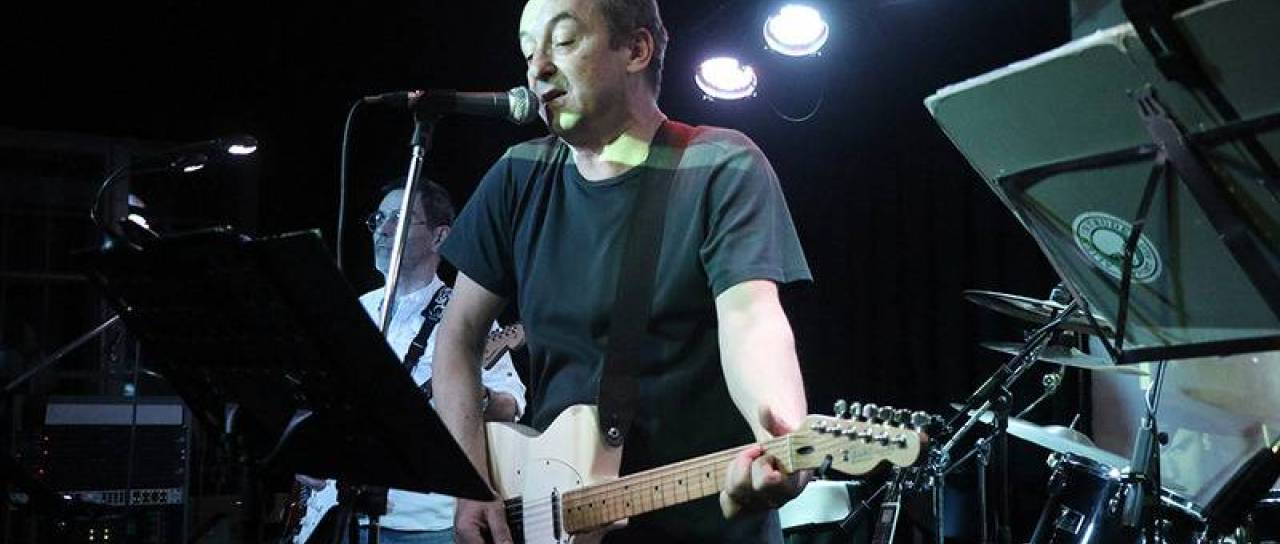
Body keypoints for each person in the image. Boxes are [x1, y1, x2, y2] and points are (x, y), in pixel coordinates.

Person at [432, 0, 813, 542]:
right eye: (527, 50)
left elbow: (751, 319)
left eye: (564, 41)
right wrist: (469, 483)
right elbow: (458, 336)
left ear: (636, 49)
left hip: (702, 523)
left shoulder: (720, 164)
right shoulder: (518, 174)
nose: (537, 68)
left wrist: (780, 435)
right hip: (550, 517)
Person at [294, 180, 526, 544]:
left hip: (423, 524)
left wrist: (473, 394)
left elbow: (511, 407)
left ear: (440, 237)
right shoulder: (352, 310)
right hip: (335, 514)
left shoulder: (463, 315)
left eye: (399, 218)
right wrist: (309, 451)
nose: (383, 230)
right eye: (379, 218)